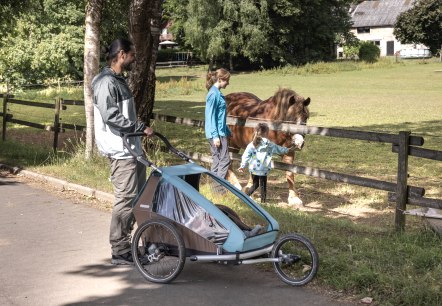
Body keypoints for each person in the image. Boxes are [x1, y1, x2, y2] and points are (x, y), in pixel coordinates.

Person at [92, 38, 154, 265]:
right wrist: (139, 127)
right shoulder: (105, 82)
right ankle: (119, 250)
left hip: (132, 149)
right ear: (121, 55)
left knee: (138, 198)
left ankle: (131, 243)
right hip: (120, 151)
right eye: (131, 55)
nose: (134, 58)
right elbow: (111, 117)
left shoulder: (118, 80)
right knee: (126, 198)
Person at [238, 123, 292, 203]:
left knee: (255, 185)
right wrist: (288, 149)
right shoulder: (269, 145)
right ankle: (263, 202)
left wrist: (242, 165)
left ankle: (245, 197)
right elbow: (279, 149)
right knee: (263, 186)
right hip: (263, 169)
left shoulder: (252, 144)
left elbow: (246, 155)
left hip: (253, 169)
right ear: (266, 133)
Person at [205, 68, 232, 180]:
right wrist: (216, 136)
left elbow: (219, 117)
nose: (228, 83)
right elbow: (210, 116)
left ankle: (215, 187)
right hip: (216, 134)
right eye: (227, 80)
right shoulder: (213, 94)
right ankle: (218, 188)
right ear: (220, 79)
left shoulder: (216, 93)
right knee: (224, 160)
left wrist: (227, 131)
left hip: (220, 132)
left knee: (217, 159)